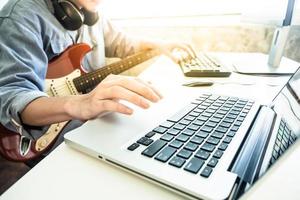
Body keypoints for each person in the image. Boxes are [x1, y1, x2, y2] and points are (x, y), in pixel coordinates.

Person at [0, 0, 195, 165]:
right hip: (51, 139)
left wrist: (160, 45)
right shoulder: (19, 16)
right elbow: (13, 99)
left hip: (98, 122)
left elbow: (122, 43)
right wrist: (81, 103)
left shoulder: (91, 12)